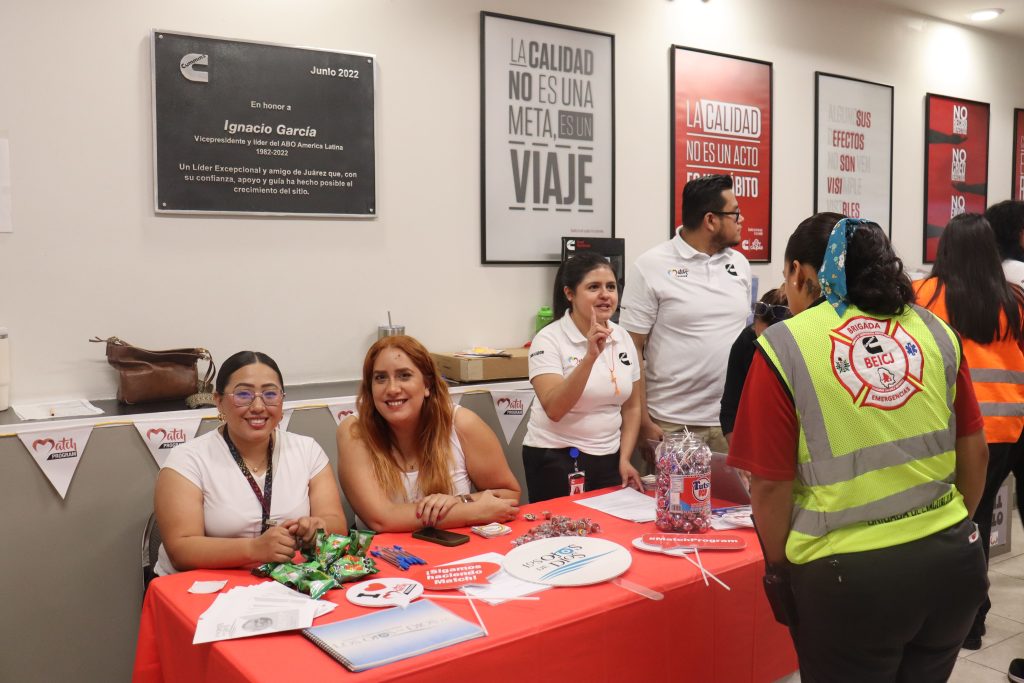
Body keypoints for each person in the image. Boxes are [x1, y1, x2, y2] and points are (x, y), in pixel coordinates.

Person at [728, 213, 989, 682]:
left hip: (848, 583)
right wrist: (948, 530)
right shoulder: (933, 331)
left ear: (800, 273)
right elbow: (976, 451)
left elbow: (768, 487)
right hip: (953, 567)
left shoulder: (786, 344)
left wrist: (780, 570)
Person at [914, 212, 1024, 650]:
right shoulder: (1014, 300)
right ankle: (974, 621)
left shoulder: (926, 294)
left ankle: (954, 619)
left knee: (946, 523)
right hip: (1007, 431)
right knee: (976, 521)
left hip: (949, 429)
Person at [154, 351, 347, 576]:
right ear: (219, 402)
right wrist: (254, 549)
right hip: (201, 588)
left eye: (270, 394)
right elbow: (181, 550)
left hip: (285, 581)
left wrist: (317, 528)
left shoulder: (307, 450)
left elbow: (337, 525)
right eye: (243, 394)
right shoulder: (187, 460)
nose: (257, 406)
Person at [620, 173, 752, 455]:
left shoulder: (739, 264)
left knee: (734, 501)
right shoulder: (650, 266)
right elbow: (631, 349)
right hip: (670, 424)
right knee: (669, 501)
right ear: (710, 220)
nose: (741, 220)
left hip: (728, 422)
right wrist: (642, 419)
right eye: (735, 214)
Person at [337, 335, 520, 532]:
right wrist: (469, 512)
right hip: (384, 557)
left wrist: (459, 500)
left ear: (427, 385)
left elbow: (509, 494)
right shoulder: (354, 431)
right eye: (380, 378)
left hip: (455, 553)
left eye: (404, 375)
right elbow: (382, 519)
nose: (392, 389)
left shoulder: (462, 424)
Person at [521, 251, 643, 503]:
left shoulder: (623, 338)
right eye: (593, 287)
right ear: (569, 294)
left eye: (611, 286)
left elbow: (632, 407)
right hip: (555, 456)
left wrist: (624, 458)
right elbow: (555, 408)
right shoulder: (549, 339)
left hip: (610, 456)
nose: (605, 295)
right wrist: (590, 357)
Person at [720, 287, 790, 445]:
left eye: (771, 342)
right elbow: (730, 408)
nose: (764, 348)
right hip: (757, 436)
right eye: (760, 339)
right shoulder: (745, 342)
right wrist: (738, 451)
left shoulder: (807, 349)